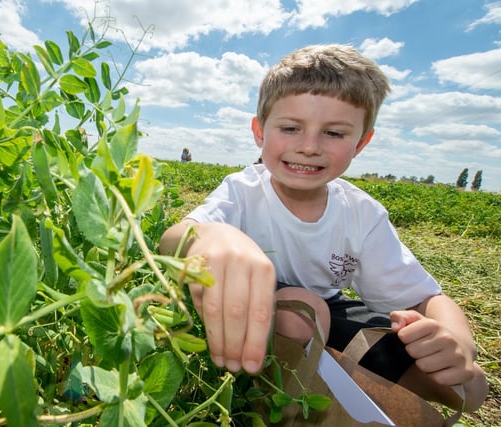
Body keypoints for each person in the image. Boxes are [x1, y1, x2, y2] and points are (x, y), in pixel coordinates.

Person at [159, 44, 488, 412]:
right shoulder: (242, 190)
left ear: (361, 142)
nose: (309, 146)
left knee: (464, 387)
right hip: (252, 306)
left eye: (333, 133)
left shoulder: (362, 212)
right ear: (259, 132)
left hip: (329, 314)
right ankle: (278, 408)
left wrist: (456, 341)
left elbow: (427, 298)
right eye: (290, 128)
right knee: (302, 312)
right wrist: (211, 237)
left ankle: (328, 378)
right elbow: (172, 240)